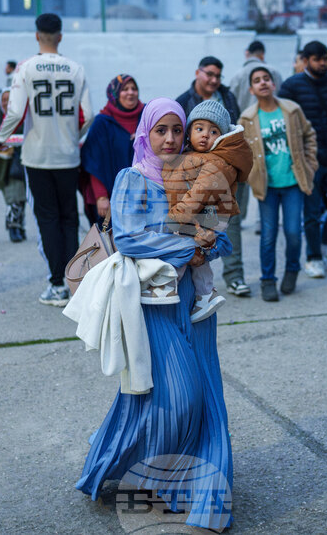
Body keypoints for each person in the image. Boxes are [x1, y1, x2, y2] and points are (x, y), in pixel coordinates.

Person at [74, 99, 234, 532]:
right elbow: (129, 239)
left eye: (177, 131)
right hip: (152, 304)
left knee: (203, 398)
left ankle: (192, 488)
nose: (170, 139)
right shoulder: (132, 178)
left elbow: (221, 235)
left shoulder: (197, 176)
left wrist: (210, 245)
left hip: (193, 302)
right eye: (161, 130)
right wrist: (190, 247)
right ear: (146, 133)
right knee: (179, 398)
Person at [0, 13, 93, 307]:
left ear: (37, 35)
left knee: (47, 219)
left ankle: (57, 284)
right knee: (69, 218)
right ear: (60, 36)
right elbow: (88, 115)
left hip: (37, 156)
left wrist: (0, 138)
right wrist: (70, 136)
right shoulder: (76, 68)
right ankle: (76, 282)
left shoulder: (26, 67)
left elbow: (15, 112)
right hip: (67, 155)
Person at [164, 100, 253, 320]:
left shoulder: (216, 161)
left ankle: (170, 286)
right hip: (206, 212)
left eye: (213, 131)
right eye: (199, 128)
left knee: (187, 245)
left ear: (221, 137)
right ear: (189, 131)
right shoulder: (195, 155)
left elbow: (198, 195)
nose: (205, 135)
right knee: (196, 250)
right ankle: (204, 295)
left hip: (210, 214)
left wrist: (174, 218)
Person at [240, 66, 318, 301]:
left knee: (294, 233)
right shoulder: (247, 118)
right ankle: (267, 280)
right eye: (257, 80)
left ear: (274, 84)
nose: (263, 83)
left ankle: (292, 270)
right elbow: (240, 152)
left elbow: (309, 135)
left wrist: (310, 164)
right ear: (251, 89)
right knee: (268, 235)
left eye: (267, 79)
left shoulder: (291, 110)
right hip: (267, 186)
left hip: (293, 182)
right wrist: (251, 175)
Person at [175, 56, 249, 297]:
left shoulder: (227, 97)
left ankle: (233, 277)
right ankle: (193, 292)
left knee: (218, 236)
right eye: (210, 74)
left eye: (218, 76)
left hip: (212, 198)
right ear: (198, 73)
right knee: (194, 248)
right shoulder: (184, 101)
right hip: (192, 200)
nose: (214, 80)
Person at [279, 40, 327, 277]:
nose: (323, 63)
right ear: (306, 60)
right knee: (311, 212)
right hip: (308, 161)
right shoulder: (291, 86)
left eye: (325, 59)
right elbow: (284, 124)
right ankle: (313, 257)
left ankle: (325, 244)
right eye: (318, 59)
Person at [79, 74, 145, 227]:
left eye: (134, 89)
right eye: (125, 89)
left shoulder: (147, 116)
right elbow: (93, 162)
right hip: (110, 198)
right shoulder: (102, 123)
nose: (131, 93)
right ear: (114, 94)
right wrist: (101, 197)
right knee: (111, 246)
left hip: (143, 198)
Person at [0, 89, 27, 242]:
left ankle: (19, 225)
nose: (7, 103)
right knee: (12, 197)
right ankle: (14, 227)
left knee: (20, 197)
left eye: (10, 99)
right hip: (2, 166)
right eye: (4, 100)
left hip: (21, 163)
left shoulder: (24, 116)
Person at [227, 39, 282, 112]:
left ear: (247, 53)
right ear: (262, 55)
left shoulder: (237, 76)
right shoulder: (273, 72)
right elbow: (280, 95)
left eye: (266, 79)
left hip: (245, 121)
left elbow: (231, 102)